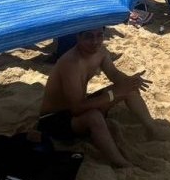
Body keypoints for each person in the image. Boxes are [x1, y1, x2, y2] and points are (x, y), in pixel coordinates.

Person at [39, 28, 161, 169]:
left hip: (78, 108)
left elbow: (114, 74)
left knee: (129, 89)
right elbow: (76, 108)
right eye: (89, 36)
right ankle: (120, 163)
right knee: (94, 117)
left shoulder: (101, 51)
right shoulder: (71, 63)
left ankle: (152, 130)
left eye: (99, 35)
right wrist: (114, 94)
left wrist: (130, 81)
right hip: (53, 119)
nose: (95, 41)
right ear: (78, 37)